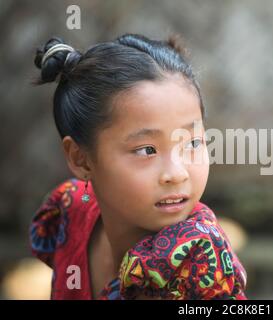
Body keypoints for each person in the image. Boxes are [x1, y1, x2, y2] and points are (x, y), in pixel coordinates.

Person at [29, 33, 247, 300]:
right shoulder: (70, 210)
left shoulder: (196, 263)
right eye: (147, 150)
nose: (177, 173)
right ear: (80, 158)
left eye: (192, 143)